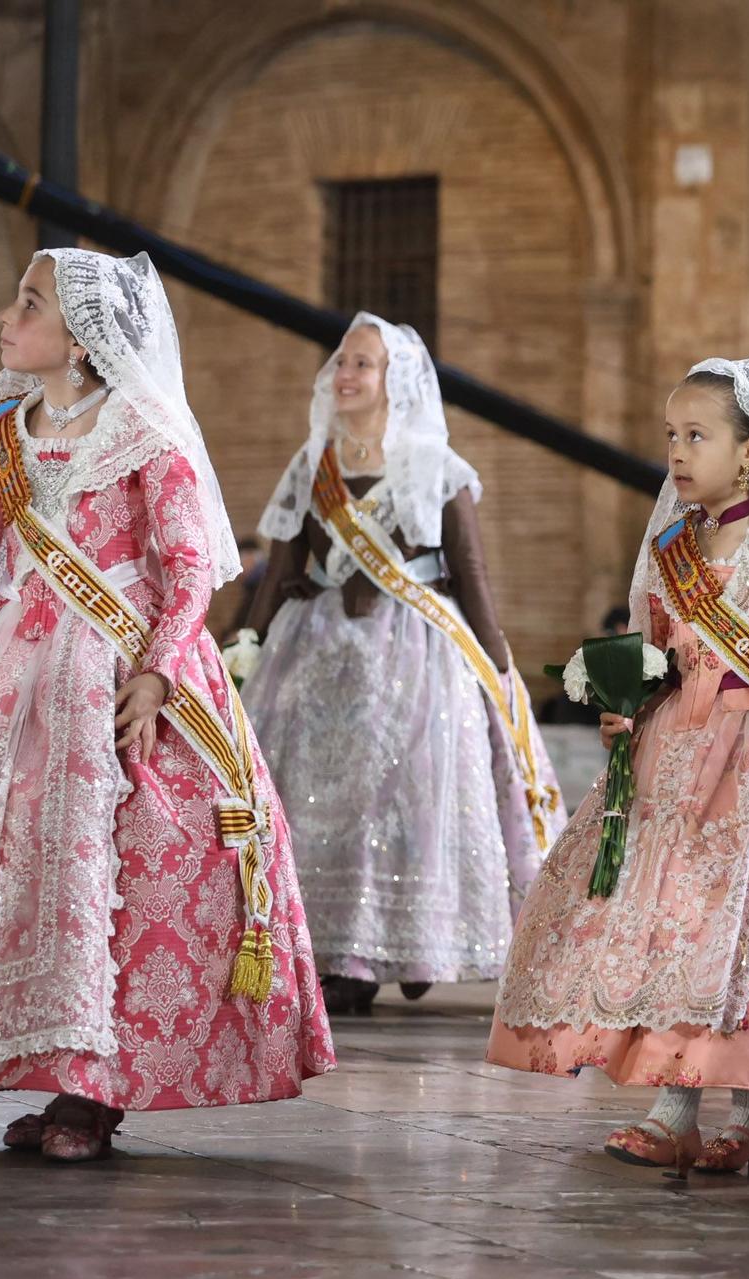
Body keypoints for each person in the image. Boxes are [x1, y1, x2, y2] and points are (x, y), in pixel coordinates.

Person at [0, 249, 334, 1160]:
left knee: (117, 872)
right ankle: (33, 1065)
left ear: (79, 338)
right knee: (2, 869)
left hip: (118, 670)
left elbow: (190, 568)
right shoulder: (1, 429)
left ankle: (92, 1092)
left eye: (27, 303)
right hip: (7, 670)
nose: (6, 315)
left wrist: (156, 672)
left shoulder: (143, 426)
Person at [489, 357, 749, 1174]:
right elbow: (660, 657)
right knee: (673, 931)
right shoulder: (675, 543)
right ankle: (678, 1107)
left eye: (698, 436)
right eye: (671, 436)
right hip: (675, 761)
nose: (678, 452)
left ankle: (742, 1114)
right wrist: (626, 704)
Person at [240, 314, 561, 1016]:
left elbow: (469, 569)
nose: (345, 374)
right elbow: (281, 564)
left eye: (363, 364)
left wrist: (497, 664)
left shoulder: (439, 466)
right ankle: (341, 955)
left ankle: (411, 944)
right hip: (320, 654)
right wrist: (249, 642)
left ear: (396, 381)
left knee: (408, 795)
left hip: (415, 654)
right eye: (342, 362)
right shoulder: (313, 461)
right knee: (326, 803)